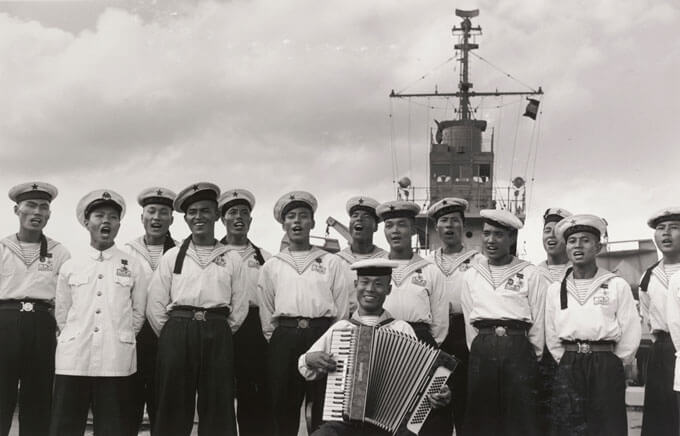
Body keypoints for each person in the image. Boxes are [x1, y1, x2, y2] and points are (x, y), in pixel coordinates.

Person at [298, 258, 451, 436]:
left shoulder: (401, 329)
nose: (370, 289)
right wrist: (309, 359)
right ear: (356, 285)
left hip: (392, 424)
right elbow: (305, 368)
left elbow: (422, 379)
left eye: (379, 284)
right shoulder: (341, 328)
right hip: (344, 423)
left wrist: (438, 392)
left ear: (389, 289)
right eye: (365, 282)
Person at [146, 182, 248, 436]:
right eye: (192, 212)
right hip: (178, 330)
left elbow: (240, 305)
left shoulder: (232, 258)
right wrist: (175, 334)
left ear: (216, 215)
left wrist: (219, 331)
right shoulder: (172, 256)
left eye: (205, 211)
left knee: (218, 405)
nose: (198, 217)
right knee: (173, 405)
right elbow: (156, 304)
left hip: (217, 331)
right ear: (185, 218)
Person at [49, 189, 148, 436]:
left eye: (113, 217)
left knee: (114, 427)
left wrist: (120, 335)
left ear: (119, 224)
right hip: (74, 359)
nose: (106, 221)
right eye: (99, 216)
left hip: (115, 359)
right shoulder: (71, 265)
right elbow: (62, 312)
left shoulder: (133, 265)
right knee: (65, 426)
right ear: (86, 222)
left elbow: (138, 313)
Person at [257, 191, 351, 436]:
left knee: (324, 405)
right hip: (284, 336)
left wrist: (333, 341)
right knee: (282, 405)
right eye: (291, 217)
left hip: (322, 335)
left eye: (303, 216)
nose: (297, 222)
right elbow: (267, 312)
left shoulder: (332, 262)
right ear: (283, 224)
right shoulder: (272, 265)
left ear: (313, 223)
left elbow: (341, 308)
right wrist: (279, 339)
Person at [546, 214, 641, 436]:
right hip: (569, 363)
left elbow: (630, 330)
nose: (577, 245)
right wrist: (568, 359)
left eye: (585, 240)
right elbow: (551, 332)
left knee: (607, 427)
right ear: (566, 246)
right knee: (568, 427)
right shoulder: (555, 289)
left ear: (598, 247)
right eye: (572, 240)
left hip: (605, 363)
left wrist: (615, 361)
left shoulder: (616, 284)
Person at [460, 209, 548, 436]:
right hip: (483, 349)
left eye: (498, 234)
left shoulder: (530, 273)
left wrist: (531, 355)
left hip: (519, 348)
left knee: (521, 419)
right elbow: (470, 321)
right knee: (483, 418)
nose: (490, 240)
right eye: (487, 233)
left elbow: (538, 320)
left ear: (511, 238)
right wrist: (481, 348)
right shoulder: (472, 274)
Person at [0, 182, 70, 436]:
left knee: (38, 398)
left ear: (49, 214)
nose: (37, 212)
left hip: (42, 324)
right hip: (4, 323)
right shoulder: (3, 248)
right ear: (17, 210)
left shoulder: (59, 252)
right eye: (30, 205)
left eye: (43, 207)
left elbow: (65, 297)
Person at [375, 200, 450, 436]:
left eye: (402, 225)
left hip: (420, 341)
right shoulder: (376, 267)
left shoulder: (430, 270)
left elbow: (439, 323)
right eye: (389, 225)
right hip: (382, 340)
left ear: (414, 230)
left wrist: (425, 346)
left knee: (422, 413)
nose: (395, 231)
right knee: (384, 411)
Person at [218, 188, 273, 436]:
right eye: (232, 212)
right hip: (220, 326)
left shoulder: (266, 258)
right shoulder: (212, 254)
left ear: (250, 220)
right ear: (222, 219)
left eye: (244, 213)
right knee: (218, 396)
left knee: (254, 398)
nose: (238, 218)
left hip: (253, 328)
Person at [124, 187, 177, 433]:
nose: (156, 218)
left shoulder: (181, 252)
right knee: (127, 404)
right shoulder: (126, 252)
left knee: (164, 406)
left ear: (172, 219)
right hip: (133, 337)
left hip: (168, 336)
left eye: (163, 212)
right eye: (151, 212)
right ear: (142, 217)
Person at [426, 197, 478, 435]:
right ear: (436, 228)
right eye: (443, 221)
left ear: (462, 225)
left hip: (464, 333)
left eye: (454, 221)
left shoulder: (479, 262)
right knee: (435, 404)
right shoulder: (426, 263)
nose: (449, 226)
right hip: (435, 336)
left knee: (467, 407)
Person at [535, 207, 572, 434]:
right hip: (540, 354)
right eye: (547, 230)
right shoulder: (532, 273)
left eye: (557, 231)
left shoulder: (579, 272)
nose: (551, 236)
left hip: (568, 350)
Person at [647, 208, 680, 436]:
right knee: (660, 418)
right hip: (662, 349)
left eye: (674, 227)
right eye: (661, 228)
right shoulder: (648, 276)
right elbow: (648, 314)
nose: (666, 233)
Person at [336, 196, 387, 313]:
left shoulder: (386, 260)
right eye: (355, 216)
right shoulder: (335, 261)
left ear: (375, 227)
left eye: (366, 216)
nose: (359, 219)